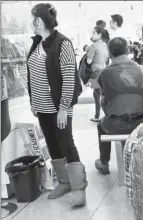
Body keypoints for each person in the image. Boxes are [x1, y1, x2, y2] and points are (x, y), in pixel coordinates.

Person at [27, 3, 87, 206]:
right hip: (42, 107)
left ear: (38, 21)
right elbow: (32, 75)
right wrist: (33, 101)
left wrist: (63, 108)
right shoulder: (36, 43)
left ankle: (78, 187)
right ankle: (64, 181)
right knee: (53, 144)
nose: (30, 23)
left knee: (66, 143)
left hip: (60, 107)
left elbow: (69, 76)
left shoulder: (63, 43)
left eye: (32, 19)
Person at [95, 37, 143, 174]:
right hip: (141, 123)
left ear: (110, 53)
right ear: (127, 50)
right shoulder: (141, 69)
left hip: (116, 124)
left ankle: (104, 162)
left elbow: (104, 99)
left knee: (102, 124)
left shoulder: (105, 72)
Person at [86, 26, 109, 122]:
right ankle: (102, 115)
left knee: (97, 95)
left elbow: (88, 61)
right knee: (101, 93)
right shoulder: (104, 45)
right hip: (103, 70)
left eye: (93, 33)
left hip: (95, 72)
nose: (92, 35)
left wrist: (88, 53)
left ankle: (98, 116)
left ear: (99, 35)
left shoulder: (93, 46)